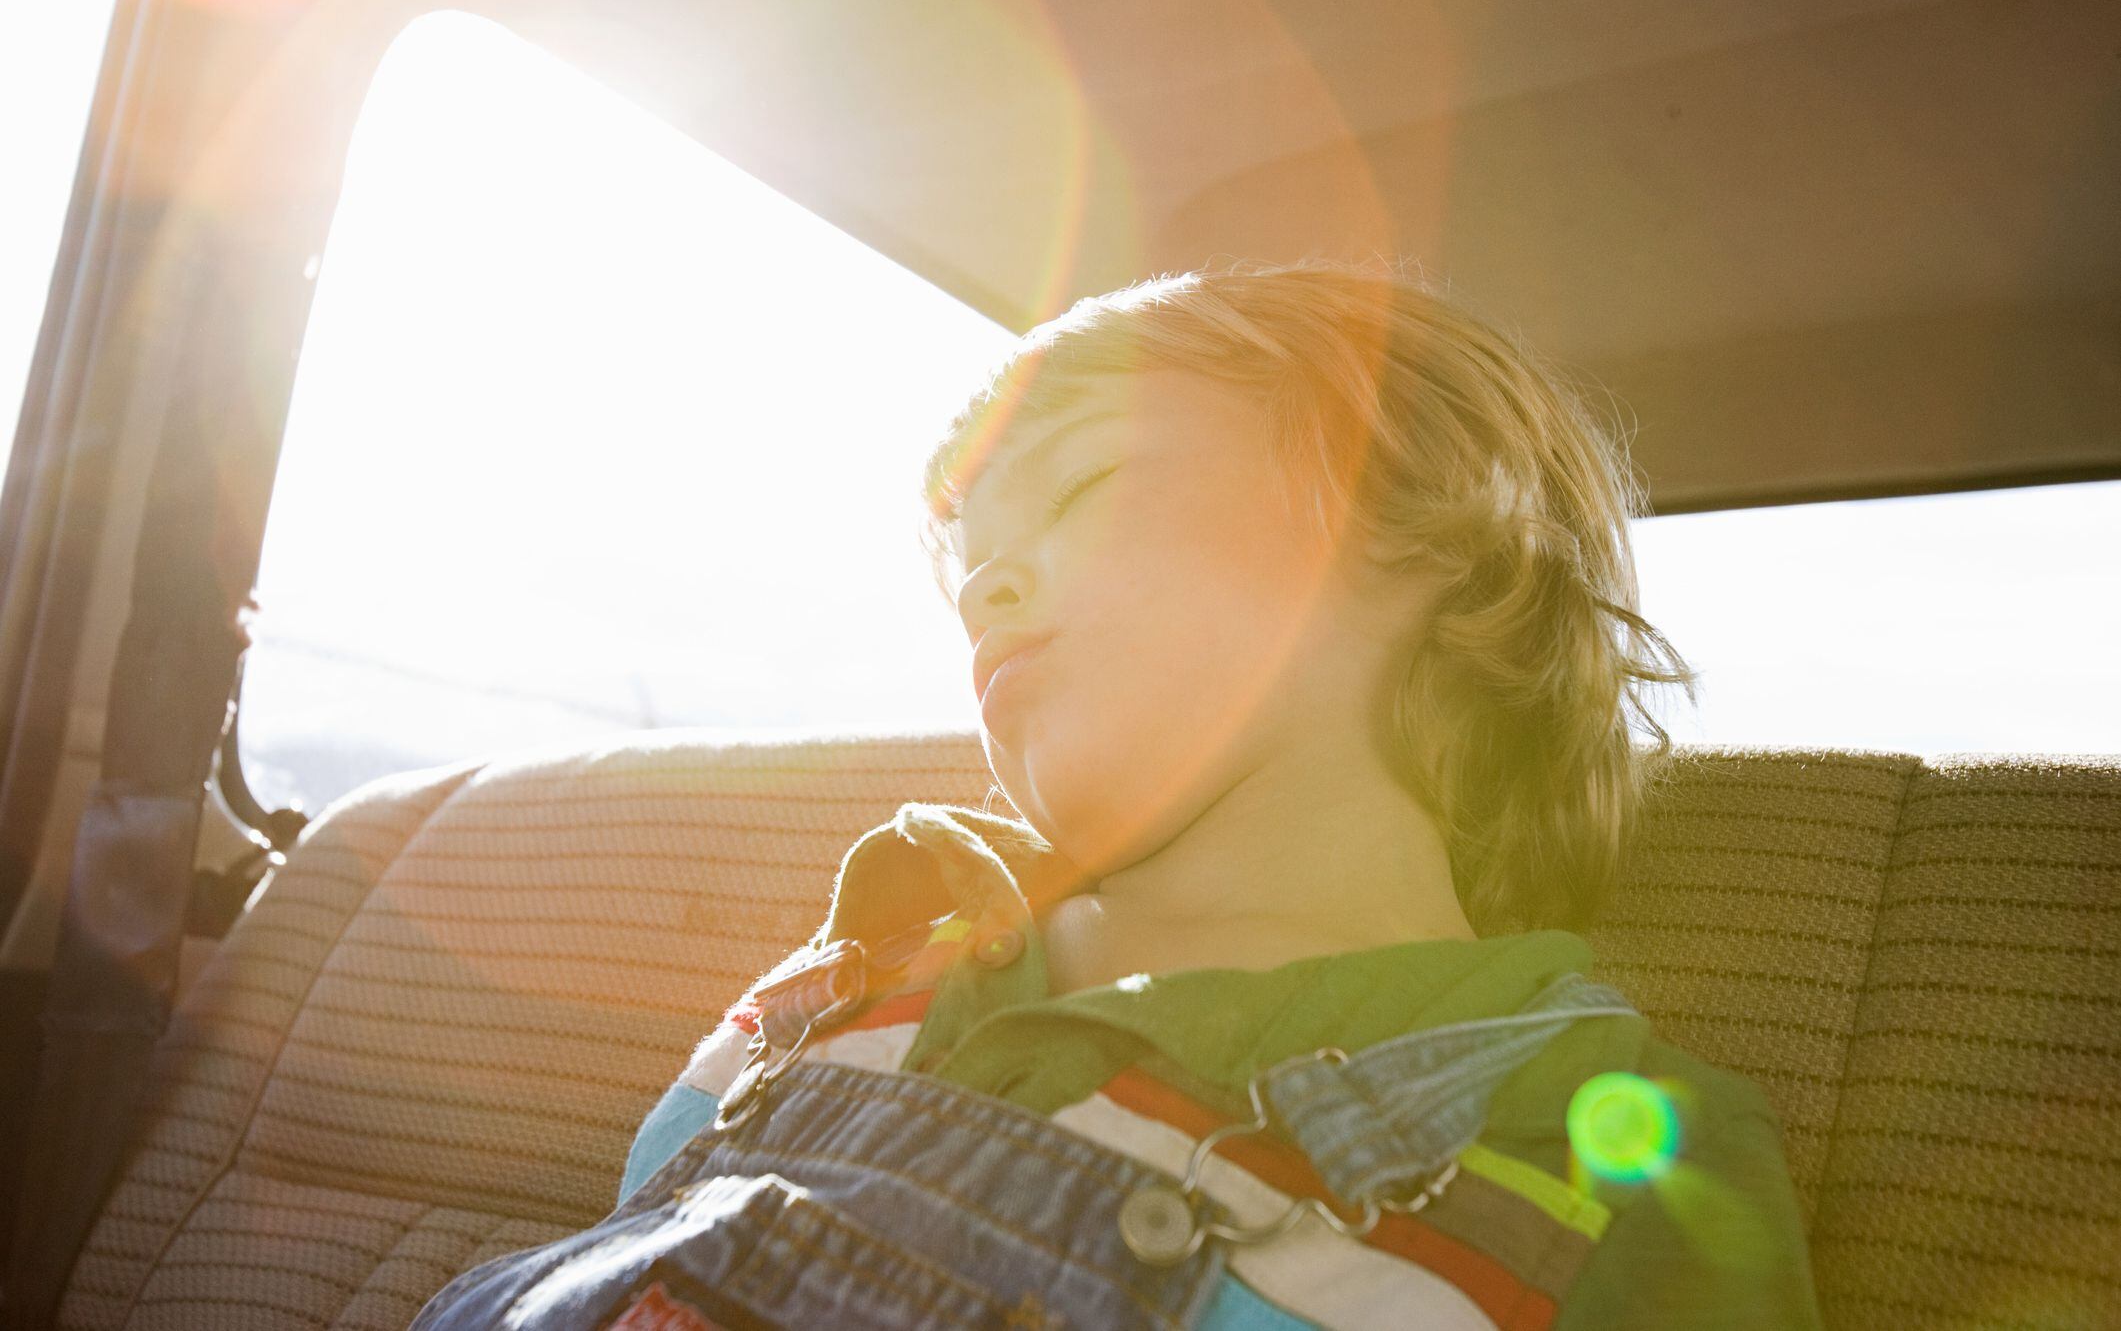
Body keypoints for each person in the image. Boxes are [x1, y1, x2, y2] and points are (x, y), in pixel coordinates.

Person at [414, 261, 1823, 1329]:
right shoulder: (853, 973)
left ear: (1420, 527)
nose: (983, 586)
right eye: (969, 563)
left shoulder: (1593, 1138)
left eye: (1079, 484)